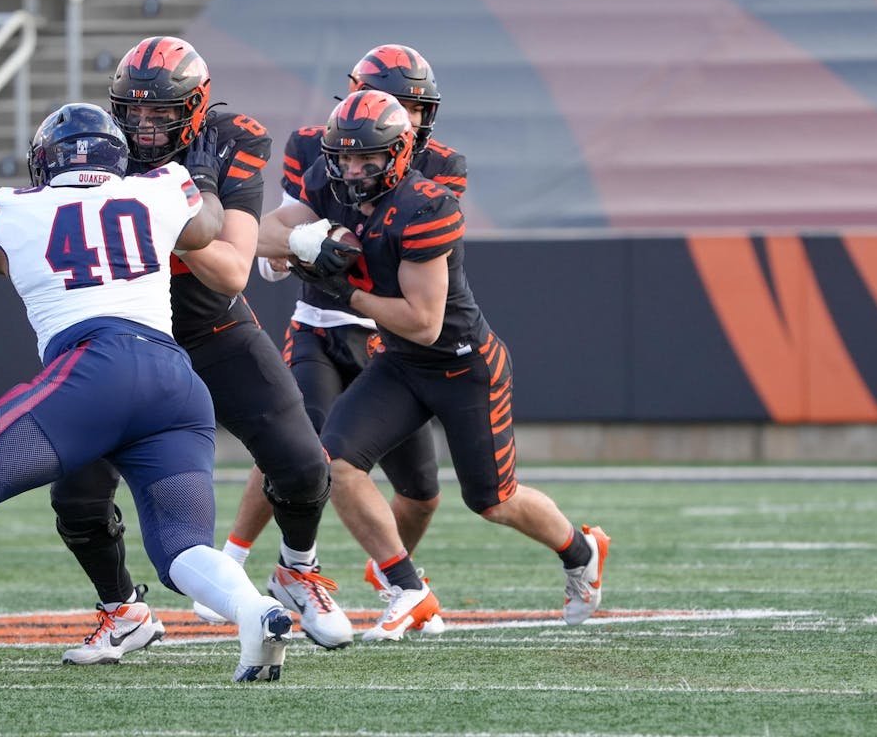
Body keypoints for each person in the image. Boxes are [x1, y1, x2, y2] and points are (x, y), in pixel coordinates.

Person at [0, 103, 292, 682]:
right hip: (176, 383)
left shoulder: (11, 207)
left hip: (96, 365)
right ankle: (253, 611)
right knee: (183, 547)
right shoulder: (162, 188)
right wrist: (205, 181)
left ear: (44, 162)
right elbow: (208, 227)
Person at [257, 89, 611, 640]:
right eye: (343, 157)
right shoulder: (333, 188)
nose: (352, 169)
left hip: (462, 364)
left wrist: (343, 291)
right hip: (399, 363)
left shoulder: (427, 205)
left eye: (366, 157)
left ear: (398, 153)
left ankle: (581, 548)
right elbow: (262, 232)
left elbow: (423, 321)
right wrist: (303, 239)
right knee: (337, 464)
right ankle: (407, 588)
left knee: (494, 502)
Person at [47, 37, 352, 664]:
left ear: (196, 106)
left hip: (213, 327)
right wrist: (184, 206)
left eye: (162, 112)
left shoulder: (233, 137)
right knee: (76, 496)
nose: (145, 126)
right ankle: (121, 610)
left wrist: (183, 202)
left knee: (302, 465)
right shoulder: (98, 143)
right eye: (133, 112)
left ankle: (297, 568)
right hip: (120, 331)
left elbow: (232, 270)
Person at [193, 45, 466, 635]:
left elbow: (404, 249)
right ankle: (259, 564)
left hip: (391, 340)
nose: (407, 119)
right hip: (319, 324)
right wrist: (297, 245)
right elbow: (283, 227)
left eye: (415, 107)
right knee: (302, 446)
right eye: (397, 104)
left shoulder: (444, 167)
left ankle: (389, 569)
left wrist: (326, 245)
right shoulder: (319, 149)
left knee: (420, 491)